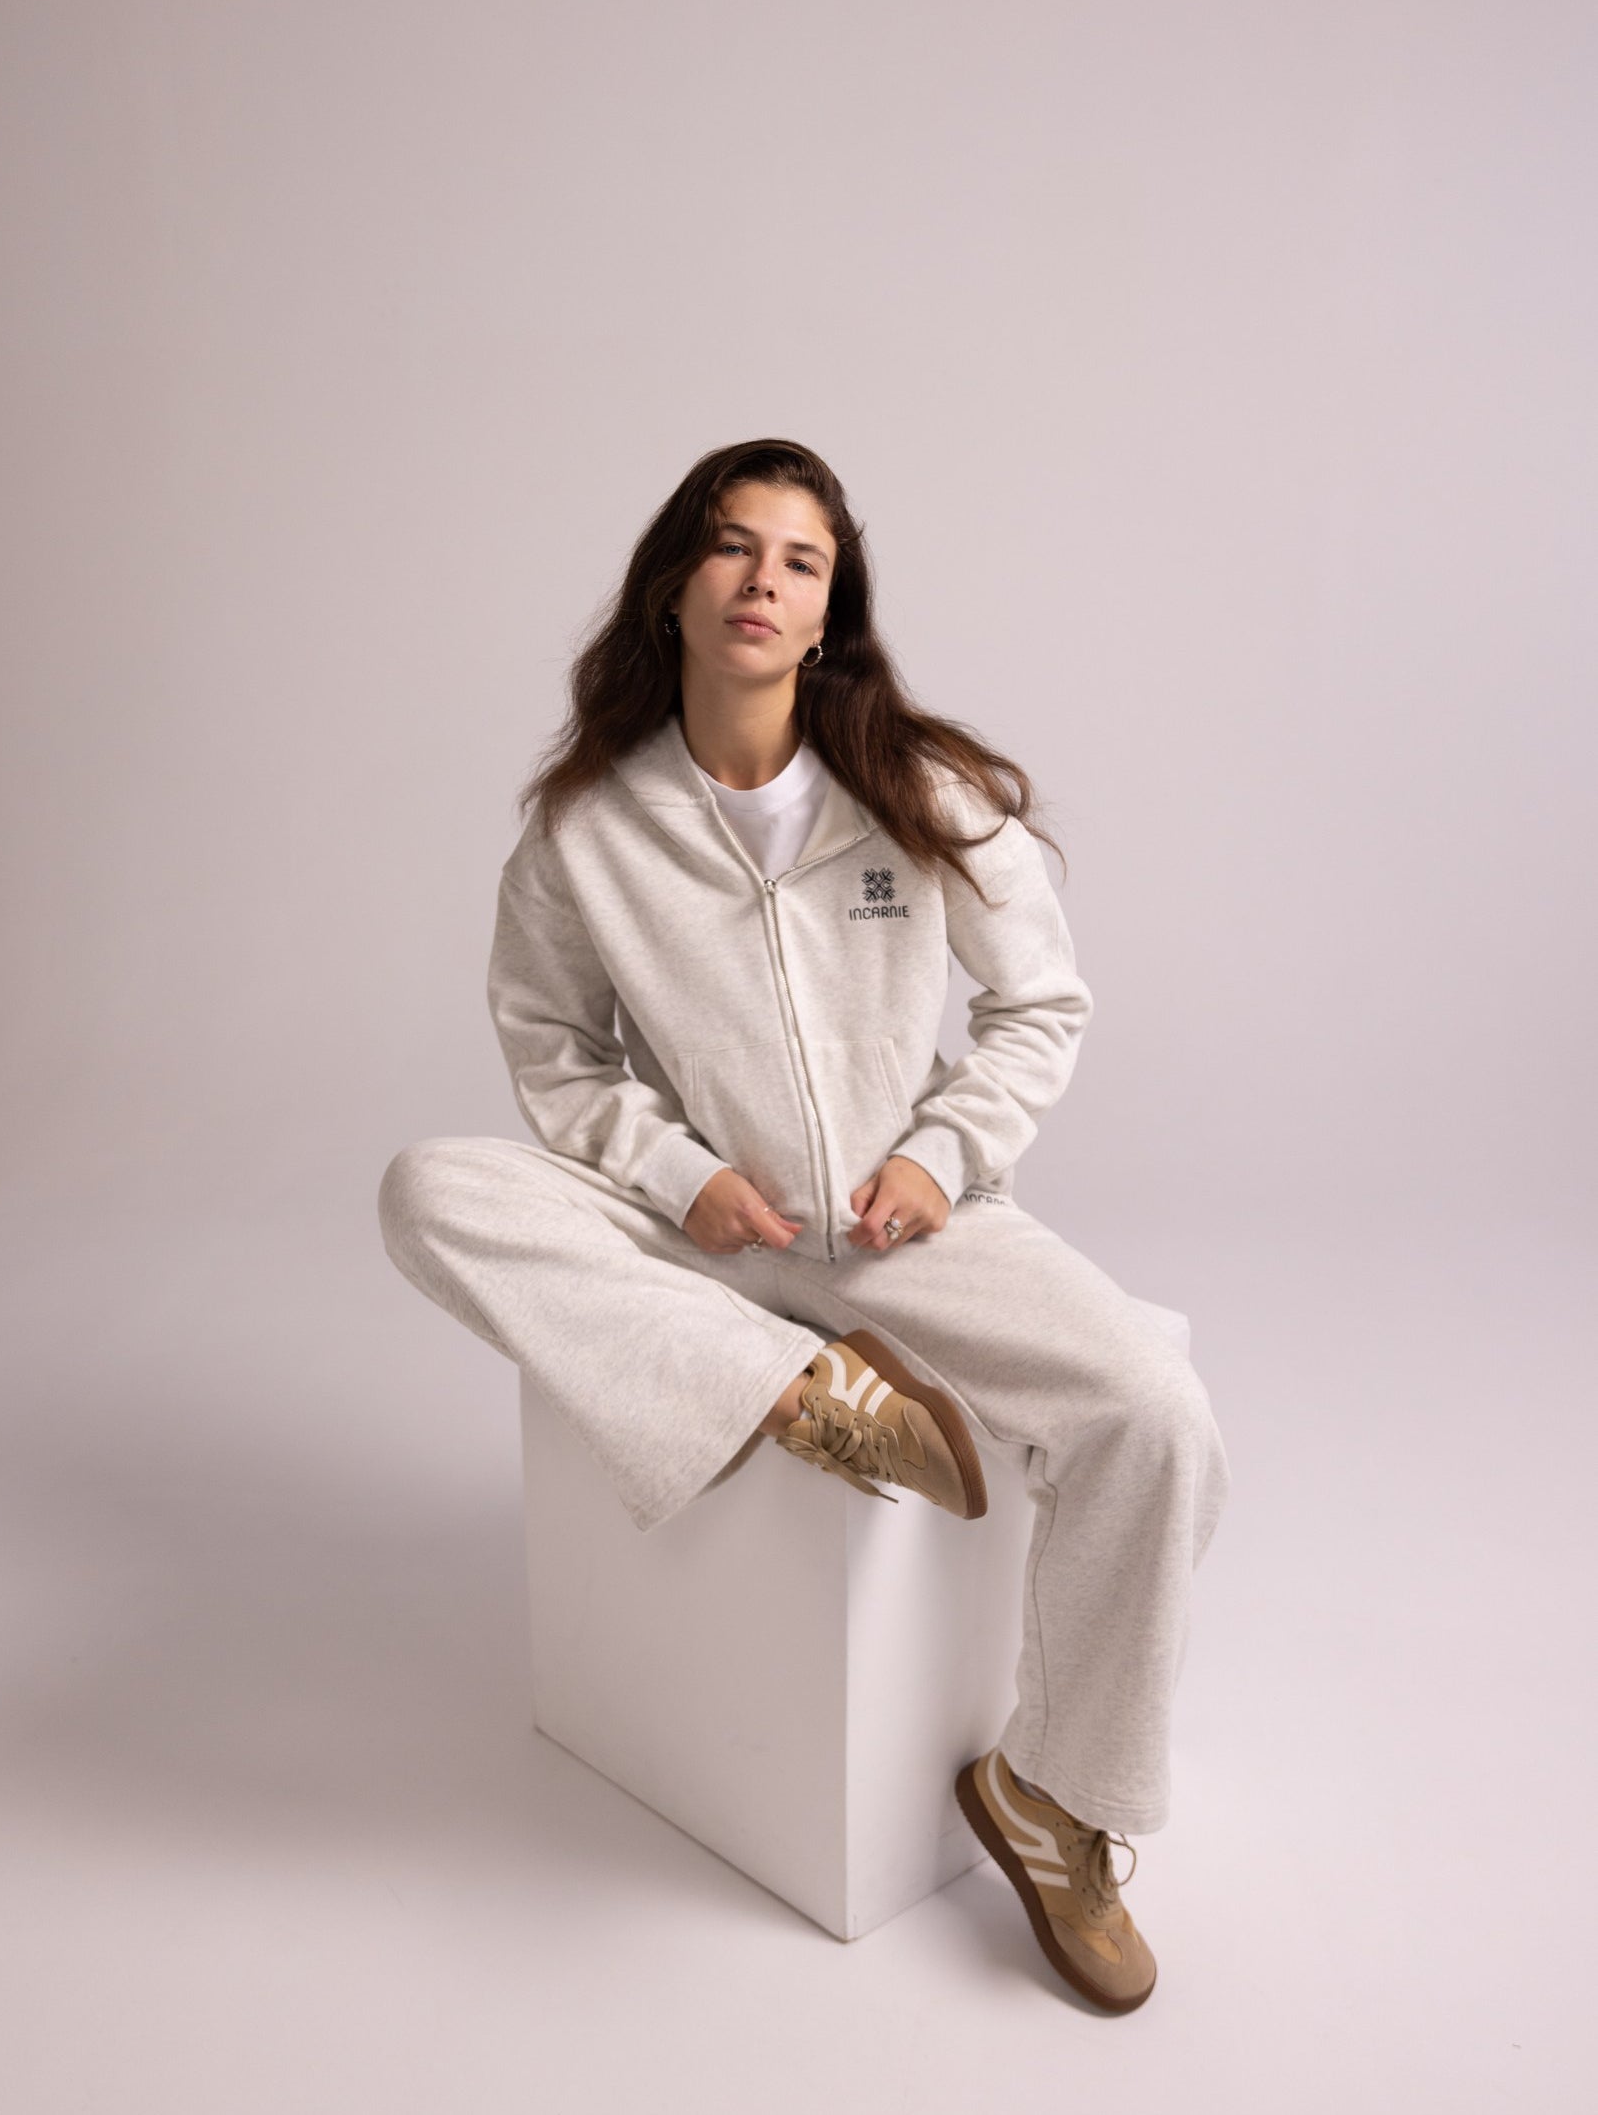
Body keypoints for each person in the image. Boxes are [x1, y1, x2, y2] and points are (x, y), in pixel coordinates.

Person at [377, 437, 1231, 2013]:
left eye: (799, 560)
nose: (761, 580)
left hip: (910, 1236)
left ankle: (1057, 1801)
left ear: (831, 611)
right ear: (673, 588)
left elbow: (1041, 1000)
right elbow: (553, 1051)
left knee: (1159, 1416)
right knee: (431, 1187)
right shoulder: (586, 829)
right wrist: (673, 1174)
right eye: (730, 546)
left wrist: (943, 1155)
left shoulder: (917, 791)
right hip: (711, 1235)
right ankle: (791, 1390)